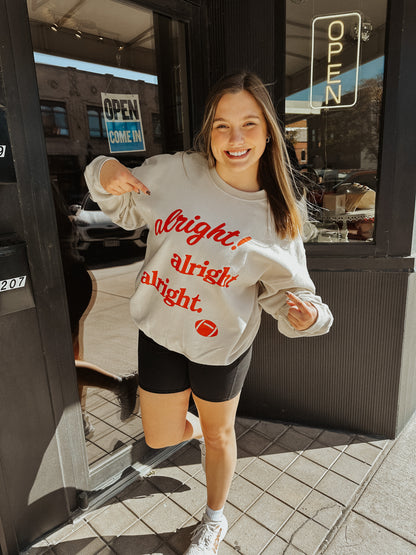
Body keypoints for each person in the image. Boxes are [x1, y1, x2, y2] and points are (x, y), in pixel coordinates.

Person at [84, 71, 333, 554]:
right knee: (159, 436)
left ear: (268, 131)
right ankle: (204, 430)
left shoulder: (279, 214)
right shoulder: (175, 172)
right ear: (208, 132)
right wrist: (105, 168)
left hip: (221, 344)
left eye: (249, 125)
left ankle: (214, 519)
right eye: (222, 126)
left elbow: (293, 296)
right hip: (160, 330)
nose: (234, 139)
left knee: (221, 438)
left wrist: (308, 318)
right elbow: (122, 204)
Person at [52, 183, 138, 436]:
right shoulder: (52, 201)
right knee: (70, 355)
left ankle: (121, 386)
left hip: (62, 283)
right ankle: (80, 417)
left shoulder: (34, 205)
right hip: (72, 279)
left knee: (59, 362)